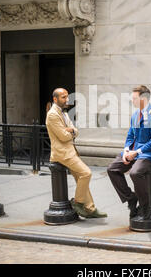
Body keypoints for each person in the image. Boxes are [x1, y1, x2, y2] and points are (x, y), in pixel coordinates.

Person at [46, 88, 107, 218]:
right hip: (62, 153)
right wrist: (71, 132)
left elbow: (75, 131)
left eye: (67, 96)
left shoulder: (64, 113)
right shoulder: (52, 114)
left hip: (70, 151)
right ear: (55, 99)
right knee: (86, 173)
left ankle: (90, 209)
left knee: (81, 177)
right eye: (63, 97)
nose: (67, 99)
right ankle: (78, 203)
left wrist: (71, 131)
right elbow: (63, 136)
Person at [107, 85, 151, 220]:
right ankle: (131, 198)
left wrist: (136, 152)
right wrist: (126, 150)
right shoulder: (135, 115)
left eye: (134, 98)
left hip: (148, 154)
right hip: (133, 152)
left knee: (135, 172)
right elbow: (130, 136)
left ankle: (144, 209)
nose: (131, 100)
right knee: (112, 169)